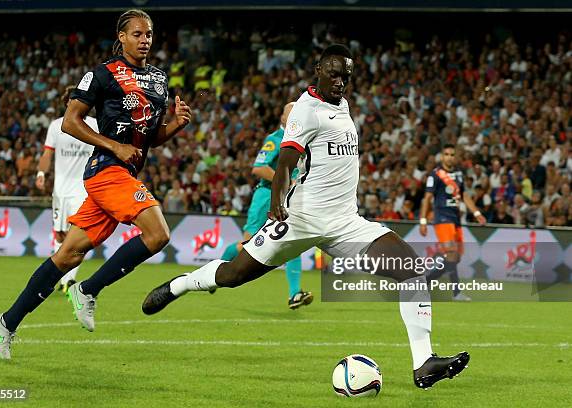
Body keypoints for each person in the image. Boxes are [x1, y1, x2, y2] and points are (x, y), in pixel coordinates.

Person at [142, 44, 470, 389]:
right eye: (334, 74)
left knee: (412, 271)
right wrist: (276, 200)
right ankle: (180, 284)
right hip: (301, 218)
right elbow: (284, 162)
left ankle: (424, 363)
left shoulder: (341, 106)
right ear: (318, 70)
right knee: (234, 274)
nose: (341, 81)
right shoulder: (306, 109)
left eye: (346, 75)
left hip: (345, 222)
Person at [0, 9, 192, 360]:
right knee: (158, 233)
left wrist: (175, 126)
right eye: (138, 34)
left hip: (125, 173)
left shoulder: (159, 80)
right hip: (105, 169)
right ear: (122, 37)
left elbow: (148, 138)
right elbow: (70, 122)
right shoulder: (102, 74)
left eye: (149, 34)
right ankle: (89, 289)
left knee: (67, 254)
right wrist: (113, 145)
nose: (145, 40)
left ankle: (5, 322)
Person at [221, 102, 311, 310]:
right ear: (282, 117)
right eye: (291, 113)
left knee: (293, 242)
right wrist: (287, 181)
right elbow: (259, 168)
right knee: (248, 245)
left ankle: (294, 294)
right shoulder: (274, 140)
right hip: (265, 196)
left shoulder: (302, 141)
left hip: (288, 198)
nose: (295, 117)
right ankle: (219, 266)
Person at [36, 86, 98, 294]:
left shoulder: (95, 125)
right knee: (61, 235)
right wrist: (41, 174)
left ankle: (69, 280)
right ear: (67, 103)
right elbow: (47, 154)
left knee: (78, 236)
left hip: (83, 189)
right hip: (60, 190)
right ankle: (60, 278)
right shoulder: (56, 126)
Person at [419, 144, 487, 301]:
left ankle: (424, 283)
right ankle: (456, 293)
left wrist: (476, 213)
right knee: (450, 254)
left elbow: (464, 195)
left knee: (455, 257)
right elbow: (427, 198)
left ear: (455, 157)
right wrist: (423, 221)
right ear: (442, 157)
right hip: (442, 218)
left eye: (452, 154)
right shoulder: (435, 175)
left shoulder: (458, 174)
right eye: (447, 154)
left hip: (456, 219)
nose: (449, 157)